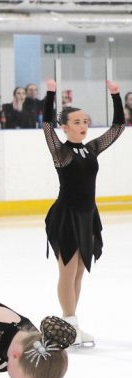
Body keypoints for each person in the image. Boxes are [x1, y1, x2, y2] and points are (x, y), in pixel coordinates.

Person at [41, 79, 124, 347]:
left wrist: (116, 96)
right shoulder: (61, 152)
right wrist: (51, 94)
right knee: (67, 270)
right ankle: (70, 322)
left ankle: (71, 324)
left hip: (88, 215)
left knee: (78, 271)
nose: (83, 126)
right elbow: (45, 125)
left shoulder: (91, 149)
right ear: (64, 127)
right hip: (66, 216)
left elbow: (118, 128)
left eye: (85, 121)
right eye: (76, 122)